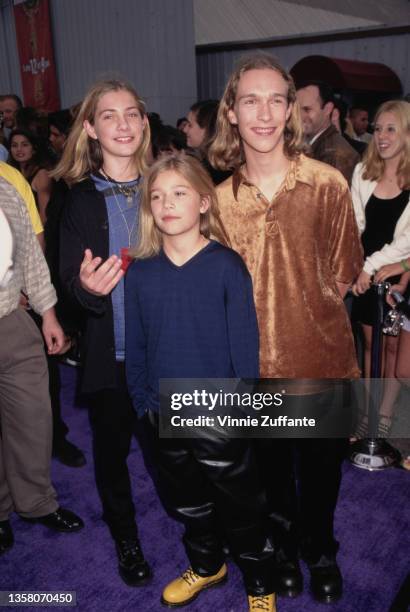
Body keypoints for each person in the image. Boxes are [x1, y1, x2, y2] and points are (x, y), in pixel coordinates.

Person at [208, 52, 363, 604]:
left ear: (291, 109)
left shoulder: (327, 184)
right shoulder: (218, 202)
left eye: (277, 98)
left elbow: (346, 273)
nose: (265, 112)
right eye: (251, 100)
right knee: (271, 476)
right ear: (231, 112)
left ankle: (320, 549)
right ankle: (283, 546)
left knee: (322, 474)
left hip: (322, 360)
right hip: (254, 371)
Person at [125, 152, 276, 612]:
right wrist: (143, 403)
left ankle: (259, 581)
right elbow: (137, 344)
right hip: (161, 409)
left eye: (179, 193)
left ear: (204, 203)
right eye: (158, 196)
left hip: (219, 412)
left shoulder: (226, 266)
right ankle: (208, 566)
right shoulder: (142, 272)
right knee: (186, 501)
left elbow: (245, 349)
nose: (168, 204)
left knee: (241, 505)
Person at [55, 79, 152, 587]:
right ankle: (126, 537)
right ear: (90, 129)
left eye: (131, 113)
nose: (122, 124)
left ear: (144, 123)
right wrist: (88, 290)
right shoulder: (80, 201)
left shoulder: (169, 183)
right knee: (112, 455)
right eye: (108, 116)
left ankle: (204, 535)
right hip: (109, 355)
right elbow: (70, 280)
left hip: (165, 353)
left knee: (177, 453)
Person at [0, 177, 84, 557]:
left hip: (14, 320)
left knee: (34, 419)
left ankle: (35, 503)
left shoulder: (5, 187)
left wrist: (48, 315)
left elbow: (31, 259)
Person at [352, 100, 410, 436]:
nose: (382, 136)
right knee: (370, 346)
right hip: (365, 272)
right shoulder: (362, 172)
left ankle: (385, 413)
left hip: (397, 272)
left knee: (393, 348)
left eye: (391, 128)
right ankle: (367, 413)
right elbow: (354, 224)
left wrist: (372, 267)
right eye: (377, 129)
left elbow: (406, 241)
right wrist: (357, 268)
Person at [296, 80, 359, 183]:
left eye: (307, 109)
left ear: (327, 109)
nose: (300, 116)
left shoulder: (335, 154)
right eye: (296, 110)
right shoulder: (313, 144)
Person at [9, 129, 53, 224]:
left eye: (25, 145)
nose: (19, 149)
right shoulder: (11, 172)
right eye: (14, 145)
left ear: (34, 149)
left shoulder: (42, 174)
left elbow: (44, 216)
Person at [183, 100, 231, 185]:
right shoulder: (221, 163)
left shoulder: (218, 170)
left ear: (208, 129)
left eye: (190, 125)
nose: (185, 130)